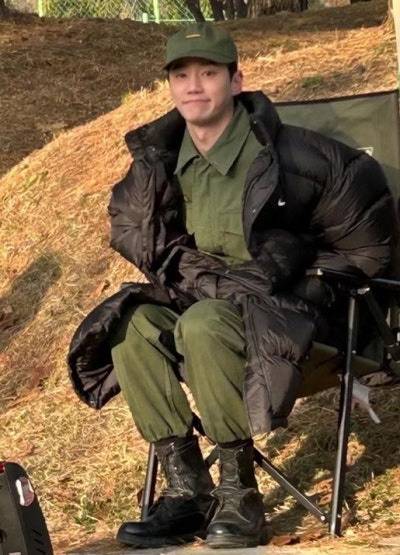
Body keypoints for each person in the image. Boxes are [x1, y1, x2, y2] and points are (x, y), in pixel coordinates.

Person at [68, 22, 396, 550]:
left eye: (208, 73)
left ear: (236, 80)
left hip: (294, 322)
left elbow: (368, 247)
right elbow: (136, 233)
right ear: (170, 86)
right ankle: (188, 491)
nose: (194, 86)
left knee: (201, 324)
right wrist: (198, 276)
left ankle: (240, 494)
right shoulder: (160, 162)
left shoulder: (300, 157)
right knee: (132, 325)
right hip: (207, 308)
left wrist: (291, 270)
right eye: (181, 75)